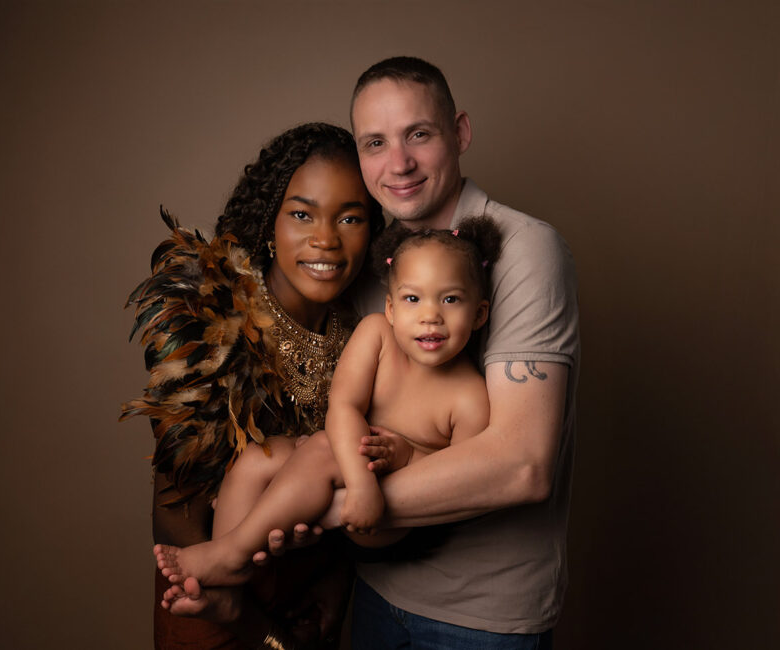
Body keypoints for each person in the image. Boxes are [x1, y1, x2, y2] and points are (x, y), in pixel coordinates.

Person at [268, 57, 580, 648]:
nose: (399, 163)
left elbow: (523, 465)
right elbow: (353, 418)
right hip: (379, 591)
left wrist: (320, 513)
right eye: (375, 143)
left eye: (419, 134)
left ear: (459, 134)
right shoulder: (374, 265)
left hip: (482, 618)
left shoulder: (524, 251)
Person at [122, 122, 384, 649]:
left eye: (350, 217)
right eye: (302, 214)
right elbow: (175, 513)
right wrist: (247, 619)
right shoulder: (212, 318)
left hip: (308, 602)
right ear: (269, 222)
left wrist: (339, 581)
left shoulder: (369, 331)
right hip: (206, 596)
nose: (326, 239)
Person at [154, 218, 501, 595]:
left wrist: (406, 458)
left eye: (450, 299)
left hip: (391, 516)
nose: (430, 315)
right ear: (390, 308)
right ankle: (224, 582)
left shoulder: (471, 397)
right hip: (351, 473)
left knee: (321, 449)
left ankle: (231, 553)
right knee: (260, 457)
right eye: (412, 299)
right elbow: (344, 406)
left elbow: (463, 484)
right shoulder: (377, 335)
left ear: (479, 314)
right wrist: (358, 479)